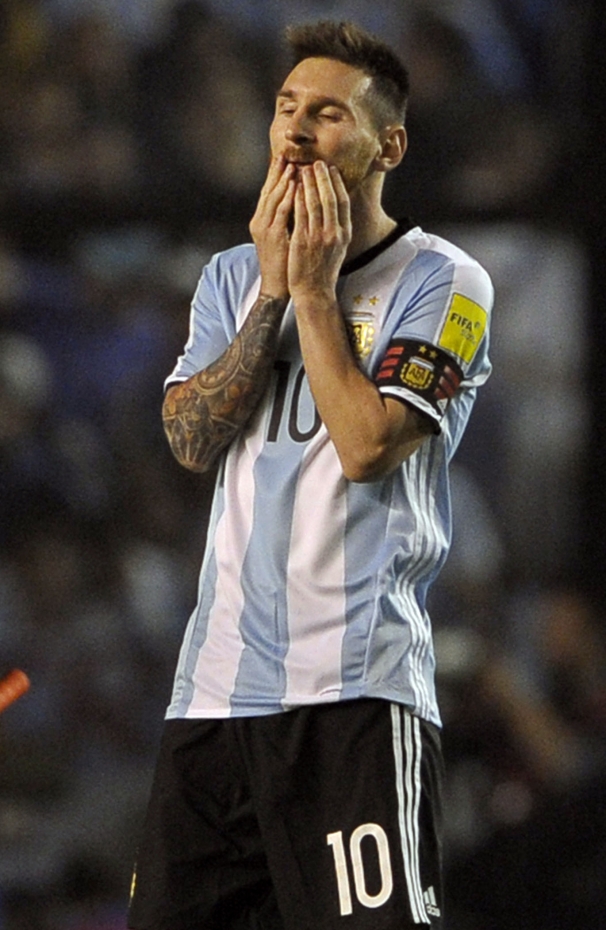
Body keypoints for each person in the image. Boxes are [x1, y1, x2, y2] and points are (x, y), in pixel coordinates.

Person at [128, 20, 494, 930]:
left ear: (388, 145)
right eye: (286, 108)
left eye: (328, 115)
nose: (294, 132)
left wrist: (318, 292)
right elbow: (189, 439)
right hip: (211, 697)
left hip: (356, 696)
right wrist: (272, 291)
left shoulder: (447, 284)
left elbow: (369, 445)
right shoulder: (228, 277)